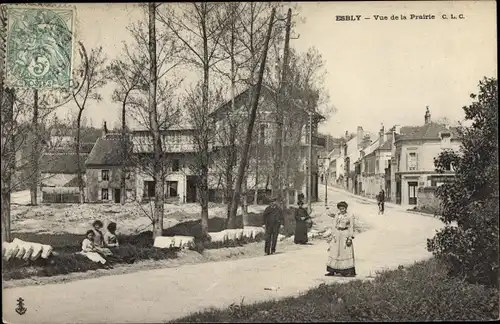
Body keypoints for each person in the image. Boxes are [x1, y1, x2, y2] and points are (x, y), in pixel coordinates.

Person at [325, 201, 356, 277]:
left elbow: (351, 227)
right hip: (337, 235)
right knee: (335, 252)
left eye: (343, 208)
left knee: (345, 252)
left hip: (345, 234)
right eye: (340, 209)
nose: (342, 210)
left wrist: (350, 237)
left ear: (346, 208)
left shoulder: (350, 215)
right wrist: (332, 235)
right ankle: (332, 270)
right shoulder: (337, 215)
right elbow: (334, 225)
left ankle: (346, 271)